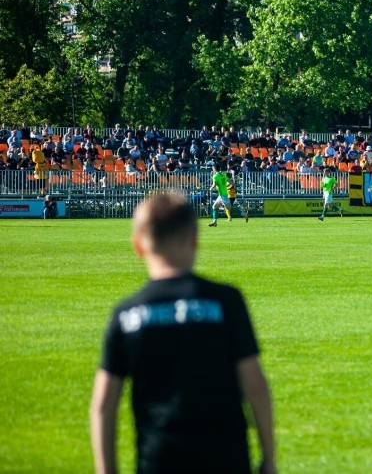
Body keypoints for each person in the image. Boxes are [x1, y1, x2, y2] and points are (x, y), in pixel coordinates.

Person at [89, 193, 276, 474]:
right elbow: (255, 386)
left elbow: (103, 405)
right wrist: (269, 459)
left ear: (138, 246)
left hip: (159, 459)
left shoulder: (127, 314)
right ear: (195, 238)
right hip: (227, 458)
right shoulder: (226, 301)